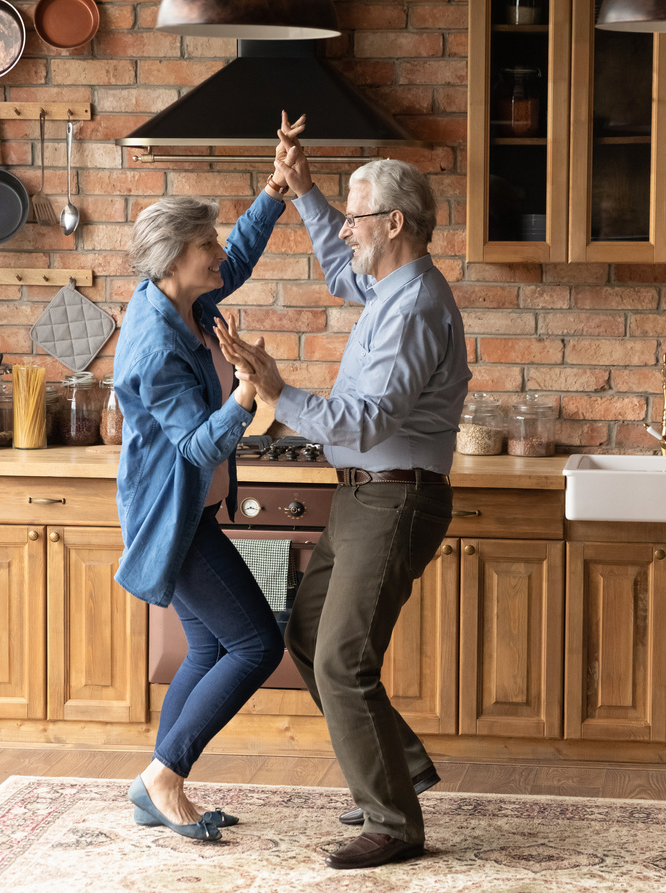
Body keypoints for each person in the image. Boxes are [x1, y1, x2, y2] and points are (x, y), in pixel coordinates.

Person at [216, 119, 470, 870]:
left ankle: (393, 820)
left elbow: (365, 421)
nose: (349, 231)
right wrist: (305, 192)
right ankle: (401, 765)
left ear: (394, 223)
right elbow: (339, 264)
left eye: (360, 218)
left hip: (394, 498)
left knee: (341, 660)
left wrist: (275, 389)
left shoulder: (417, 304)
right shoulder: (390, 282)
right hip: (366, 495)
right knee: (308, 636)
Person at [113, 116, 305, 842]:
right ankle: (164, 776)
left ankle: (156, 782)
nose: (219, 255)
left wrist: (275, 191)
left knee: (208, 647)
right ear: (173, 259)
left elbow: (240, 259)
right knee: (256, 644)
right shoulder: (153, 346)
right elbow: (195, 446)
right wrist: (248, 393)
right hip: (175, 516)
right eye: (206, 246)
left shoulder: (186, 301)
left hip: (196, 511)